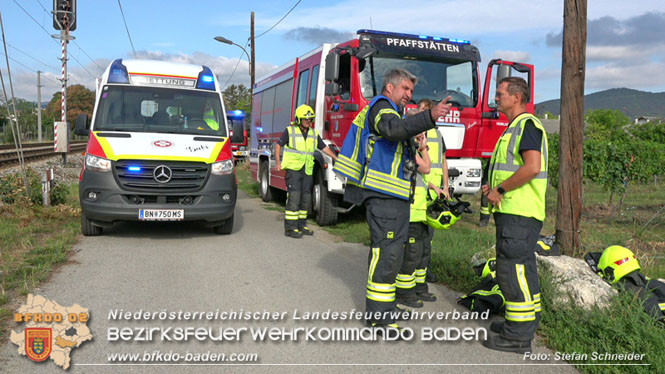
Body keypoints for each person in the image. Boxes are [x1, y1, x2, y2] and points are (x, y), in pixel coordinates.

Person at [333, 69, 451, 328]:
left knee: (392, 254)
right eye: (405, 89)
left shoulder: (392, 111)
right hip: (383, 196)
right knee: (386, 255)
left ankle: (386, 307)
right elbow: (392, 129)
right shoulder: (382, 107)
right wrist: (428, 116)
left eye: (411, 90)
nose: (409, 95)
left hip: (393, 197)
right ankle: (379, 318)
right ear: (389, 87)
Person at [481, 77, 548, 353]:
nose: (496, 98)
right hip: (518, 212)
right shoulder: (514, 127)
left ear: (516, 97)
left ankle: (517, 336)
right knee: (523, 268)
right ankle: (524, 322)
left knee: (512, 270)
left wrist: (500, 188)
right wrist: (492, 186)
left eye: (500, 94)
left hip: (520, 212)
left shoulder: (527, 124)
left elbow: (532, 167)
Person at [275, 104, 337, 238]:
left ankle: (302, 225)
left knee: (306, 199)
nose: (308, 121)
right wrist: (278, 163)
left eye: (310, 119)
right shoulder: (290, 131)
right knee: (294, 197)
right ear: (298, 119)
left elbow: (323, 147)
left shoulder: (314, 133)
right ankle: (290, 228)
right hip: (293, 169)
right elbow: (278, 145)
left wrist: (335, 157)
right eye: (305, 119)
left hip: (307, 169)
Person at [395, 131, 431, 308]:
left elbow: (424, 176)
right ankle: (404, 292)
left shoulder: (412, 151)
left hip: (419, 212)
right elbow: (426, 168)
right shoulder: (408, 151)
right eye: (418, 134)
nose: (420, 137)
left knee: (421, 252)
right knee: (411, 255)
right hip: (410, 212)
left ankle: (415, 289)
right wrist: (423, 148)